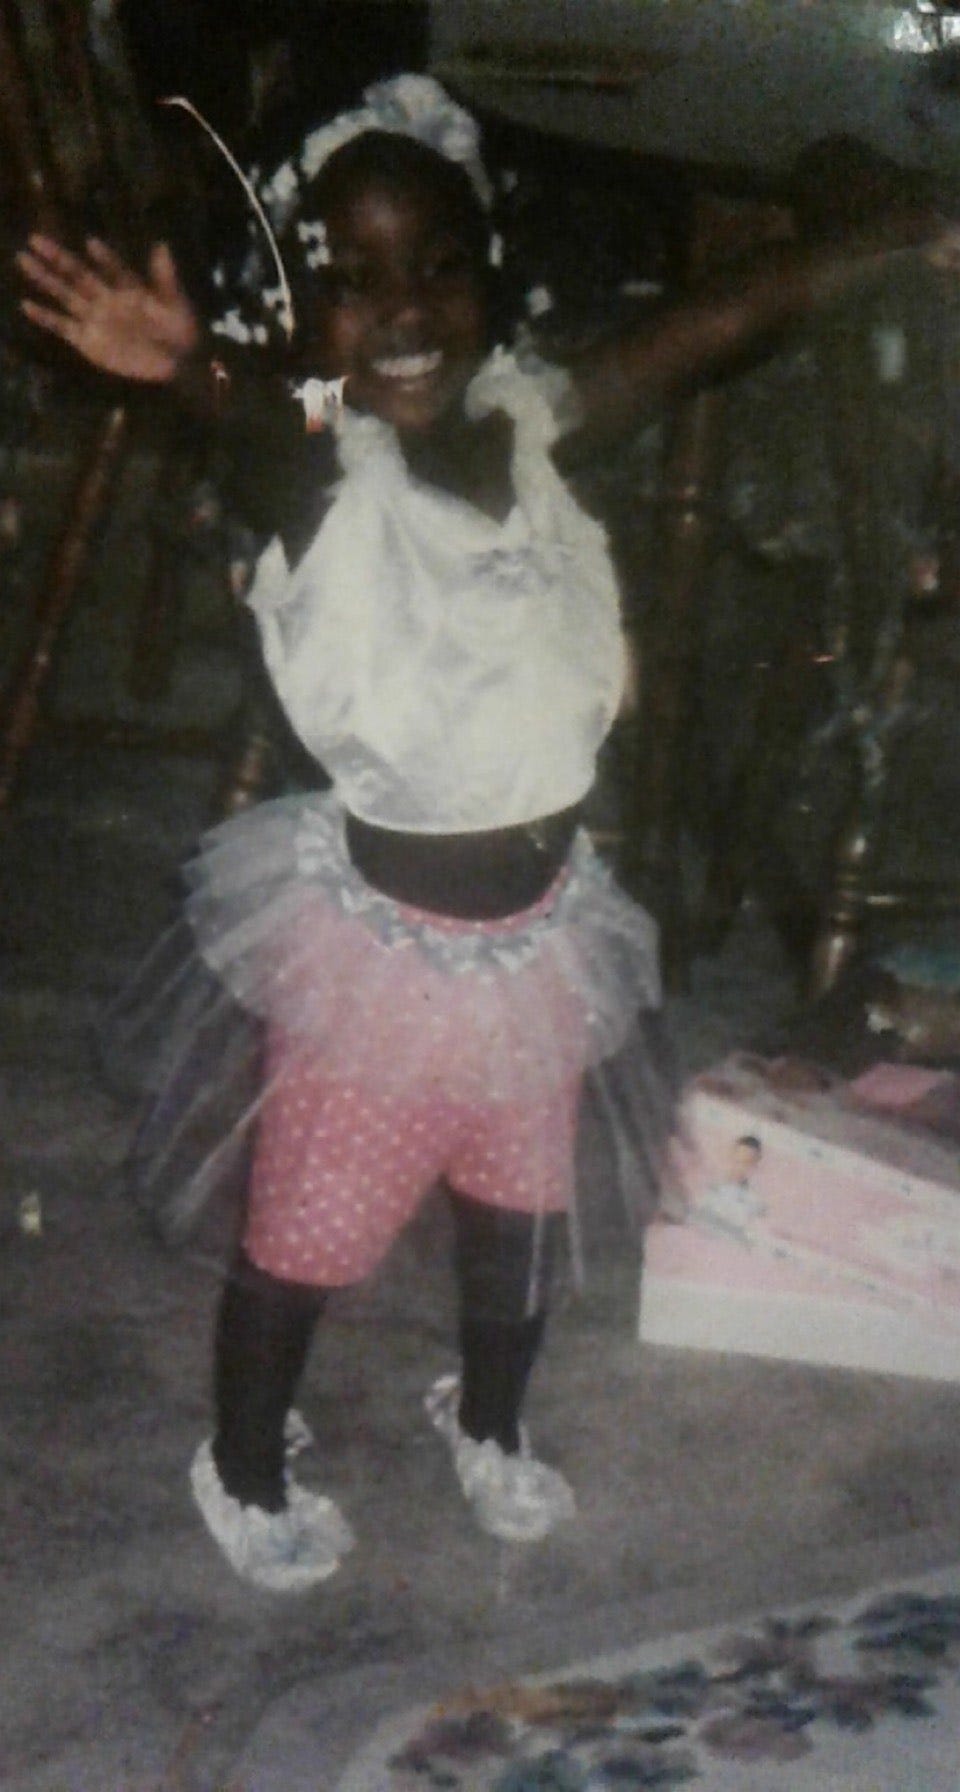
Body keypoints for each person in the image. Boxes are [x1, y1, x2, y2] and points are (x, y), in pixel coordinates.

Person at [16, 76, 957, 1593]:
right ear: (294, 308)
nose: (404, 311)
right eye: (354, 279)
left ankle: (495, 1421)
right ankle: (243, 1460)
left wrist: (902, 238)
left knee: (521, 1220)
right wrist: (183, 365)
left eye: (438, 266)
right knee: (308, 1238)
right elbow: (255, 410)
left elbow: (708, 328)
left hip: (543, 939)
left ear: (490, 274)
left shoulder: (528, 417)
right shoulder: (318, 460)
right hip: (381, 964)